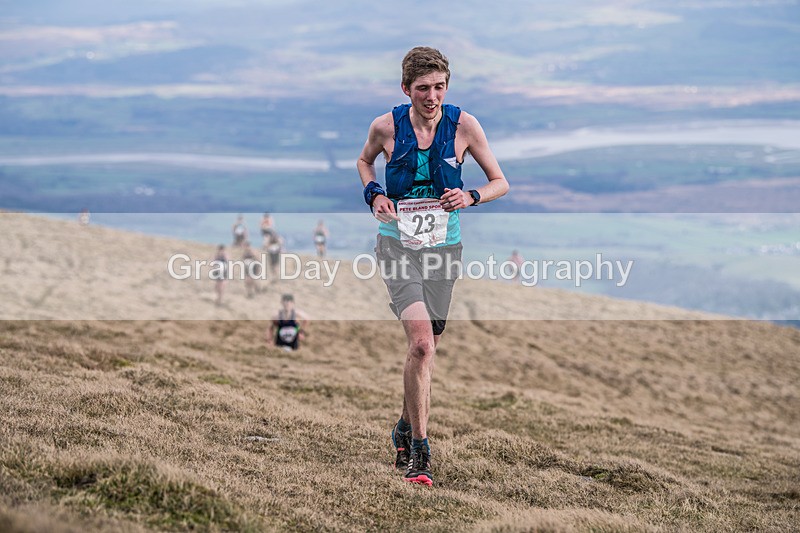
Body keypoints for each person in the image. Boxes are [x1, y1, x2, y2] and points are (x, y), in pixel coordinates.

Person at [357, 46, 509, 486]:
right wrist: (375, 195)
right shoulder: (385, 126)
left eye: (439, 87)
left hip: (445, 249)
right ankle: (419, 453)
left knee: (430, 346)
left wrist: (472, 196)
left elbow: (501, 182)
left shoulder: (465, 126)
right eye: (423, 88)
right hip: (396, 246)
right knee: (422, 344)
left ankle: (404, 427)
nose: (432, 96)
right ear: (406, 89)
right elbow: (365, 162)